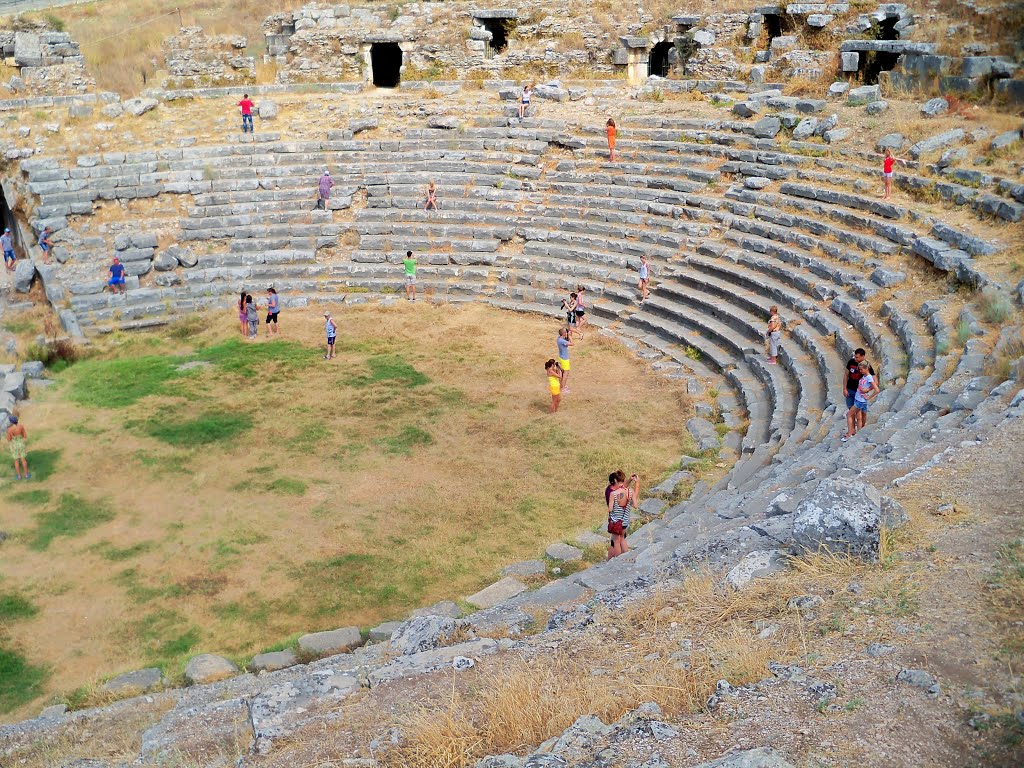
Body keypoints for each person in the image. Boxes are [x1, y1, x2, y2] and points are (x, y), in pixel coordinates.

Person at [842, 361, 879, 441]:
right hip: (857, 398)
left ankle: (849, 434)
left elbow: (876, 390)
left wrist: (868, 397)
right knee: (859, 417)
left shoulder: (869, 377)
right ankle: (859, 435)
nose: (860, 371)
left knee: (849, 414)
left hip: (860, 401)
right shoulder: (865, 376)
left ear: (866, 369)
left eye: (861, 370)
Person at [607, 471, 639, 559]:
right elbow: (635, 505)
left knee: (616, 542)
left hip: (615, 522)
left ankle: (619, 560)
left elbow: (610, 509)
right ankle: (626, 557)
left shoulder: (613, 494)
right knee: (622, 539)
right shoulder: (630, 492)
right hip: (625, 521)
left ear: (615, 480)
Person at [843, 348, 875, 430]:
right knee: (851, 411)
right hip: (850, 390)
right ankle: (853, 430)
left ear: (863, 357)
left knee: (861, 414)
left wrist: (867, 390)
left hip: (860, 394)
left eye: (857, 357)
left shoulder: (867, 367)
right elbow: (846, 375)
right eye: (855, 356)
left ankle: (861, 430)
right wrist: (845, 388)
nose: (855, 358)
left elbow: (875, 382)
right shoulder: (851, 362)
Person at [6, 414, 29, 481]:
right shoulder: (21, 426)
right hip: (21, 444)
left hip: (14, 446)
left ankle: (19, 476)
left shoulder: (9, 429)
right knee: (23, 460)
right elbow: (24, 435)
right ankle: (27, 475)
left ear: (11, 422)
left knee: (16, 461)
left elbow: (8, 439)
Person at [556, 327, 573, 392]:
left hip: (561, 357)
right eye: (565, 332)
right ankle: (563, 388)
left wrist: (567, 335)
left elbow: (566, 342)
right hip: (565, 358)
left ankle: (562, 385)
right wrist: (570, 336)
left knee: (563, 372)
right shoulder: (562, 341)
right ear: (563, 333)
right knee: (566, 373)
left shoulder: (559, 338)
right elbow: (572, 343)